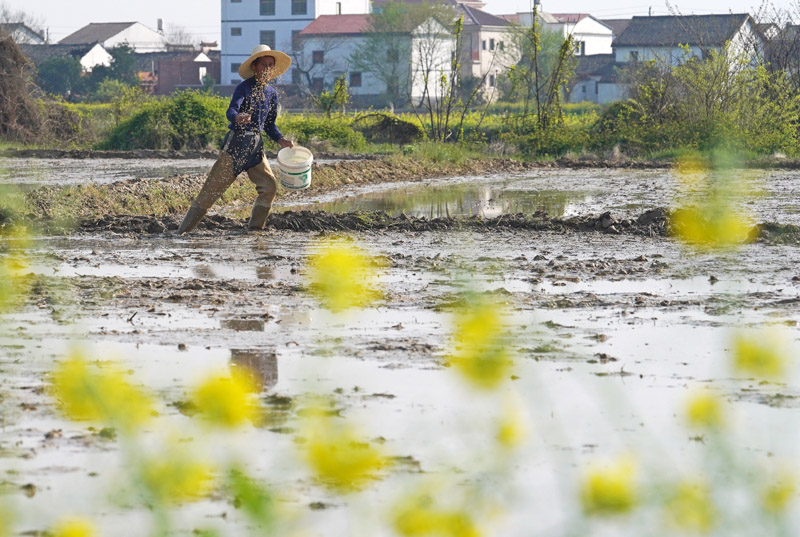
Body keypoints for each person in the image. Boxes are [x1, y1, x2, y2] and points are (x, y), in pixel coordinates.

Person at [177, 44, 294, 234]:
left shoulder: (271, 94)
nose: (266, 68)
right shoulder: (244, 87)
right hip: (236, 145)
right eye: (263, 64)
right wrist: (238, 117)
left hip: (256, 148)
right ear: (254, 66)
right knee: (210, 192)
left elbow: (270, 124)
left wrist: (281, 140)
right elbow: (231, 110)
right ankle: (182, 231)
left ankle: (255, 229)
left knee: (269, 187)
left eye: (270, 65)